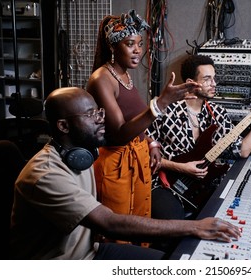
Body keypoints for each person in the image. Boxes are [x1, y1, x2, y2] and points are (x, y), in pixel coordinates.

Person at [9, 87, 241, 260]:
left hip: (91, 252)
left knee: (170, 262)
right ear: (63, 126)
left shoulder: (84, 150)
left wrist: (151, 142)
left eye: (100, 111)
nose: (102, 119)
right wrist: (196, 226)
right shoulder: (45, 174)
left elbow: (127, 133)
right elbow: (109, 223)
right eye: (91, 115)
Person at [86, 9, 201, 243]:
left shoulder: (125, 77)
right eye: (130, 44)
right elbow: (119, 133)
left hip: (137, 160)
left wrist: (152, 142)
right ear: (113, 47)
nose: (138, 50)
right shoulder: (101, 79)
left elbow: (134, 120)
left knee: (139, 227)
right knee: (118, 234)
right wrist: (161, 103)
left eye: (140, 44)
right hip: (116, 165)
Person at [147, 54, 251, 221]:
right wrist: (180, 167)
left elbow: (243, 150)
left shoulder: (218, 113)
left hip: (205, 186)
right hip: (167, 185)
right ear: (190, 82)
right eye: (207, 79)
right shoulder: (165, 109)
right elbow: (144, 154)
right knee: (173, 222)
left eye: (214, 78)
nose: (214, 84)